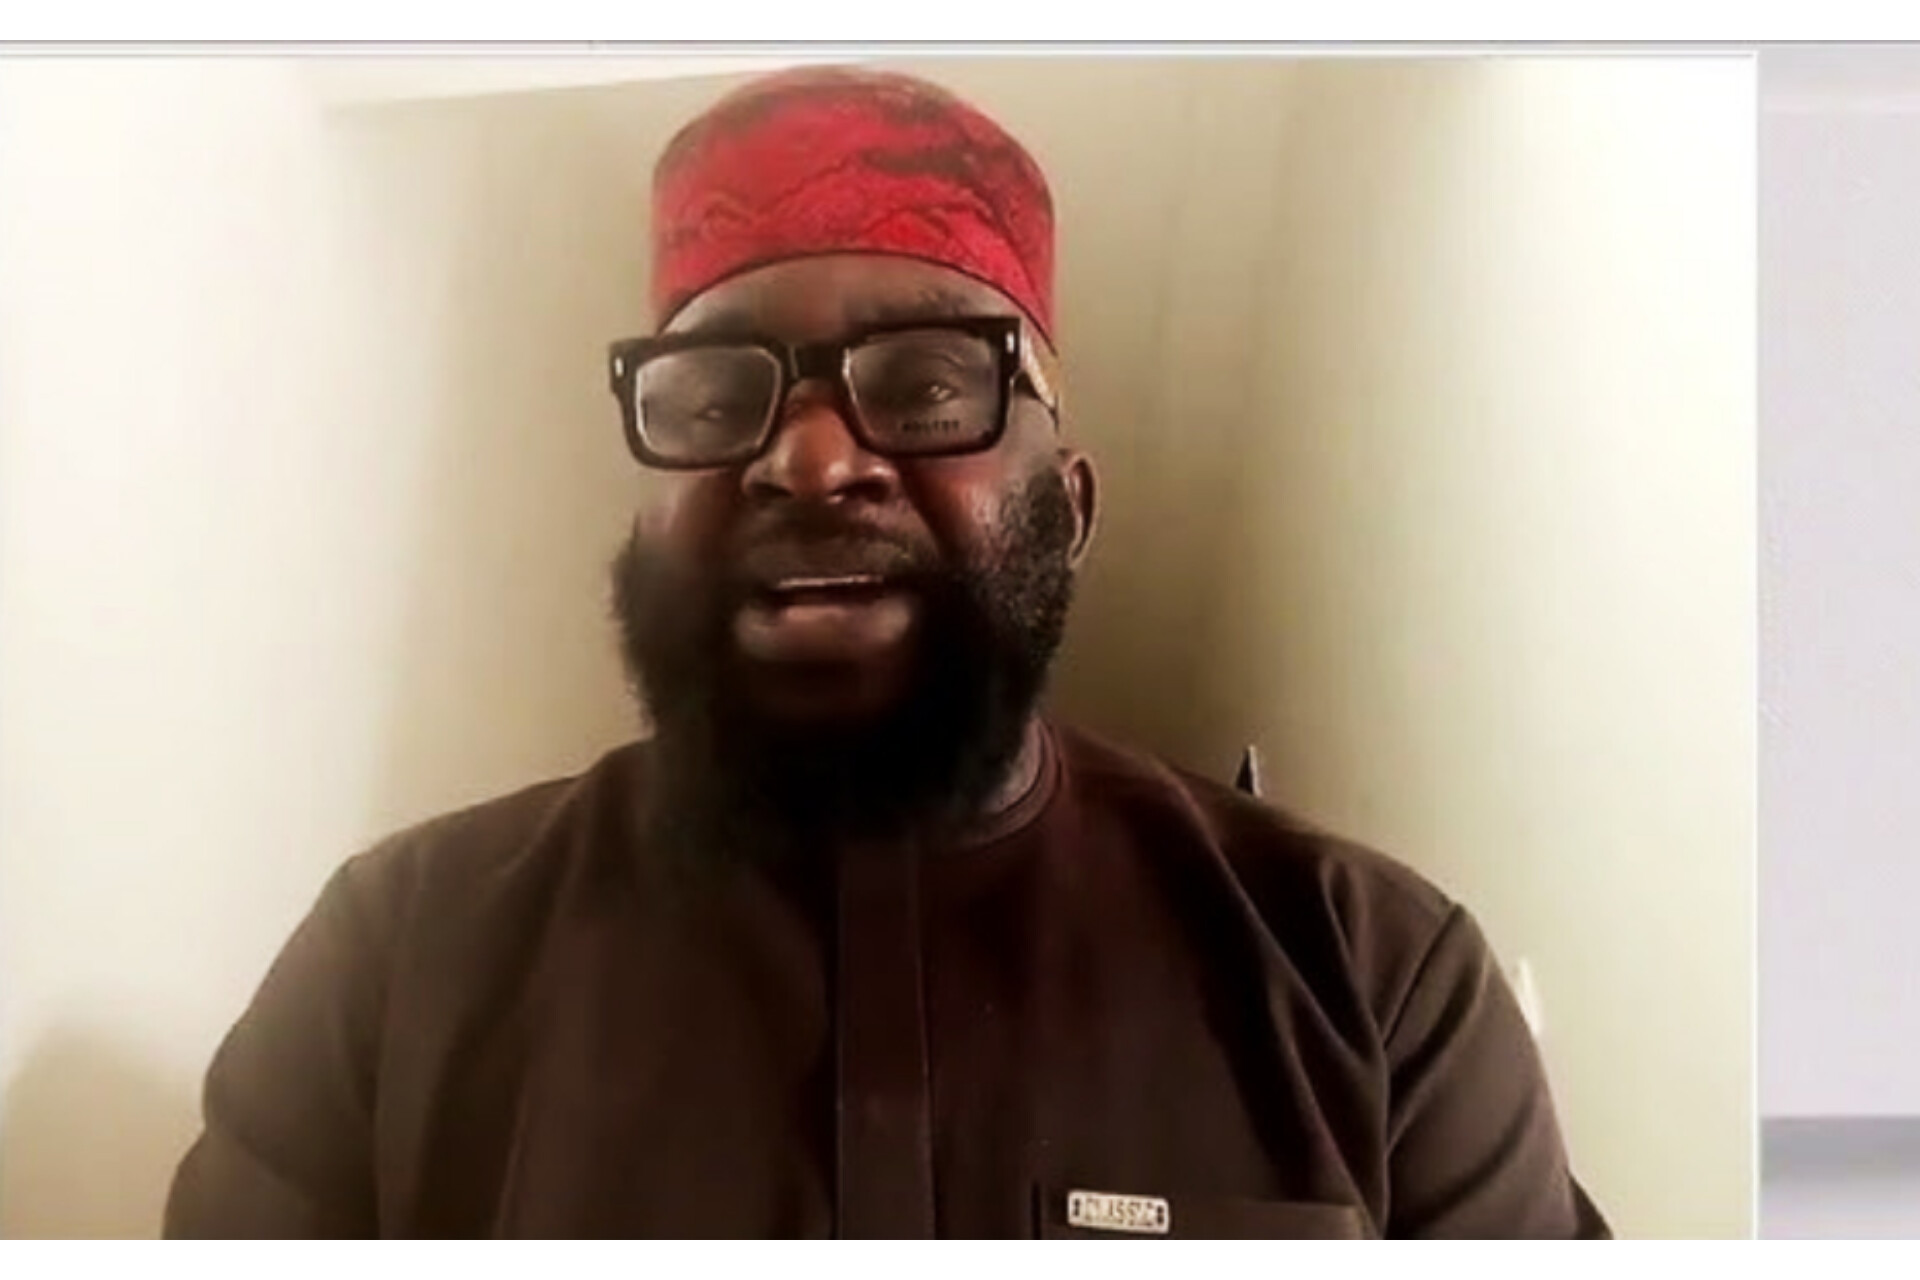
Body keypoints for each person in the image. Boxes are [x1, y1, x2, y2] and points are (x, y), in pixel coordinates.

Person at [163, 66, 1609, 1240]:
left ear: (1070, 508)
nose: (808, 459)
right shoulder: (389, 969)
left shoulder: (1380, 984)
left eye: (926, 384)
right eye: (714, 394)